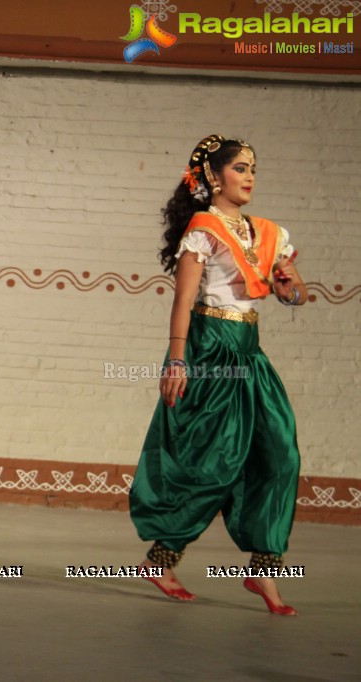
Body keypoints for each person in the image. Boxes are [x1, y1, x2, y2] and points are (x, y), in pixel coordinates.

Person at [129, 135, 307, 615]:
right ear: (214, 176)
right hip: (211, 353)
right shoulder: (204, 228)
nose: (249, 176)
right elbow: (184, 300)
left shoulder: (268, 232)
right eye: (240, 168)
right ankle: (160, 559)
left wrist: (291, 287)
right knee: (214, 464)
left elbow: (294, 295)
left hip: (251, 355)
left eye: (253, 169)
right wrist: (176, 359)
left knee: (281, 455)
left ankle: (264, 571)